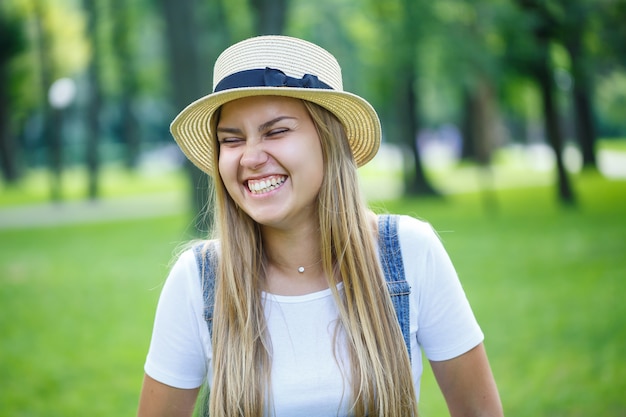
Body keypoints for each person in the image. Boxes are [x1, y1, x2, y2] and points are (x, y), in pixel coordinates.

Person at [137, 35, 503, 417]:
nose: (250, 157)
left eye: (276, 131)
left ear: (331, 139)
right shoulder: (199, 281)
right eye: (231, 140)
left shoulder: (408, 252)